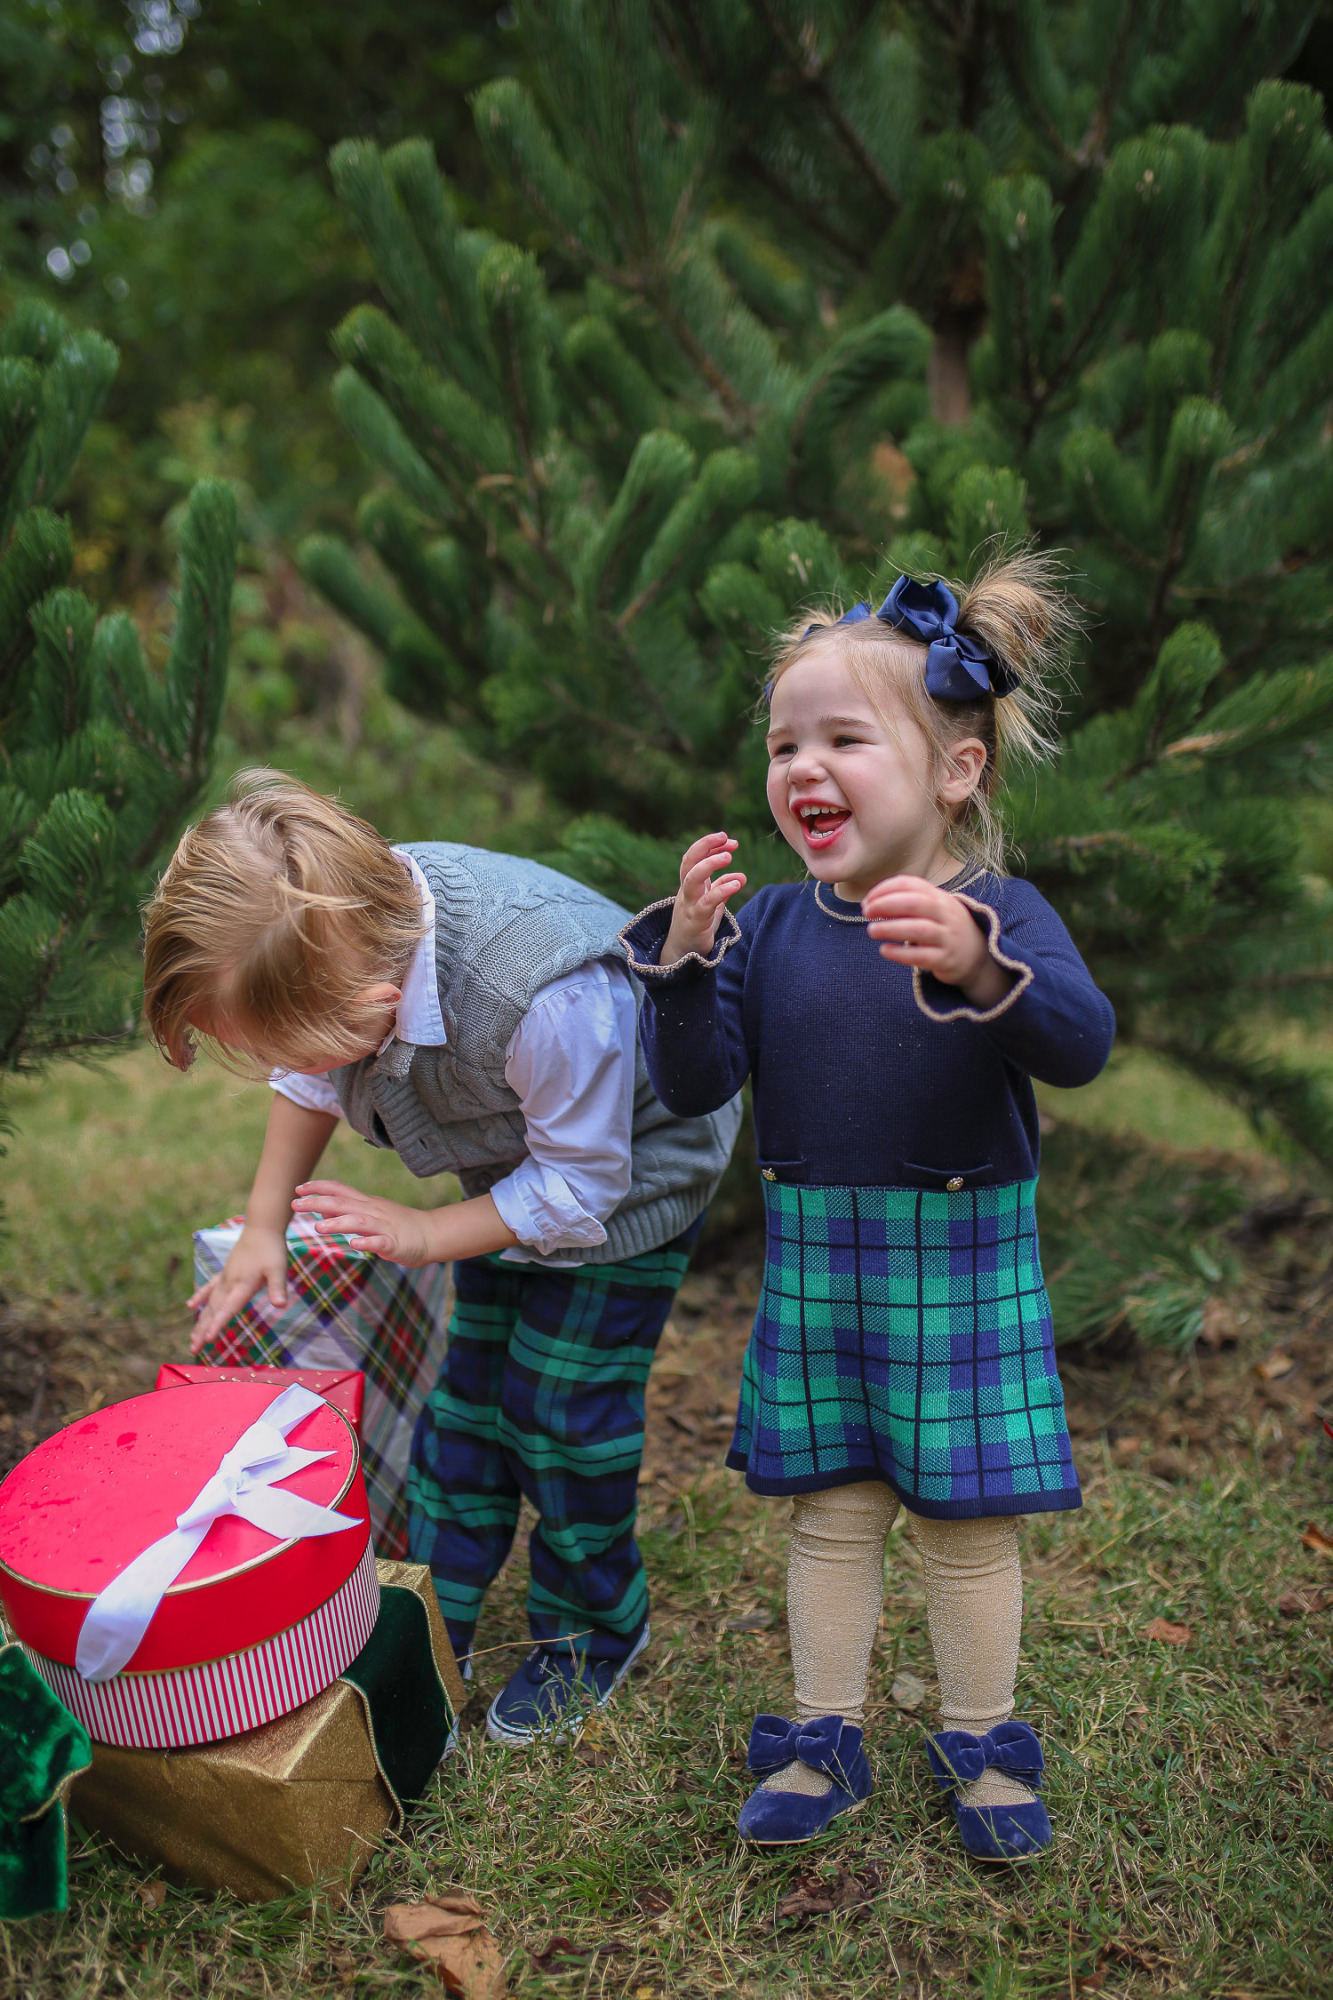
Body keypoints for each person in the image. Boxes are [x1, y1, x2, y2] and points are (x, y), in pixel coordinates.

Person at [619, 553, 1115, 1859]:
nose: (803, 766)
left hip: (960, 1265)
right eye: (787, 742)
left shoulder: (1000, 910)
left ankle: (984, 1744)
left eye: (845, 736)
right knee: (831, 1510)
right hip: (823, 1268)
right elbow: (696, 1083)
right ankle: (820, 1733)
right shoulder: (771, 930)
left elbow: (1081, 1043)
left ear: (956, 771)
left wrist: (976, 963)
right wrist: (679, 967)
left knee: (962, 1521)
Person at [142, 773, 741, 1745]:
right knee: (464, 1404)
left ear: (373, 1003)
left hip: (627, 1180)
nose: (285, 1068)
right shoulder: (346, 937)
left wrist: (423, 1234)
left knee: (558, 1412)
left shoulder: (540, 991)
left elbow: (578, 1187)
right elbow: (312, 1071)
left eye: (280, 1045)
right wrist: (262, 1222)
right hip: (514, 1157)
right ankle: (431, 1613)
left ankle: (594, 1628)